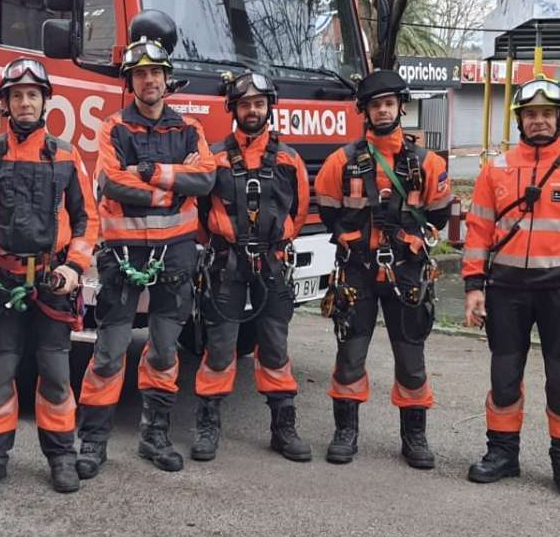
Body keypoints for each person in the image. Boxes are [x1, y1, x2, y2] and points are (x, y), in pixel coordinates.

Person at [74, 10, 216, 479]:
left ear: (166, 78)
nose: (149, 80)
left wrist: (154, 175)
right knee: (110, 351)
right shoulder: (114, 128)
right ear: (130, 81)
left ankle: (154, 437)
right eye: (140, 74)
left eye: (155, 72)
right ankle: (92, 442)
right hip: (122, 257)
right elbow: (112, 183)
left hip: (175, 253)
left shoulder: (188, 129)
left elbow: (207, 176)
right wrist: (176, 184)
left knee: (163, 350)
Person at [0, 57, 99, 494]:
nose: (25, 102)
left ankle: (61, 457)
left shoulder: (67, 156)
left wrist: (74, 268)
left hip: (53, 284)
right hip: (1, 282)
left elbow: (87, 220)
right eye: (17, 96)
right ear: (5, 104)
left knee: (55, 374)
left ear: (45, 101)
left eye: (33, 95)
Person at [314, 69, 452, 468]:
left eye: (389, 103)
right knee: (350, 354)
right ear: (365, 111)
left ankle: (415, 438)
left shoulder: (426, 163)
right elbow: (328, 212)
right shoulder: (341, 161)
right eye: (375, 105)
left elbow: (439, 216)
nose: (383, 111)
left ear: (400, 107)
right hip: (357, 272)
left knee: (411, 358)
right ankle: (345, 432)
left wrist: (410, 241)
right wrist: (352, 241)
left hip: (407, 272)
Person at [193, 70, 311, 462]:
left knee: (275, 346)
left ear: (269, 108)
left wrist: (278, 242)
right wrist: (219, 245)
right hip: (226, 263)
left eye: (259, 104)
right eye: (245, 105)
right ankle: (208, 425)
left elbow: (300, 209)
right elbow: (198, 211)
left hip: (273, 263)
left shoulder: (290, 160)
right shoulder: (214, 157)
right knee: (220, 347)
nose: (253, 111)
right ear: (233, 109)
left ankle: (283, 428)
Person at [464, 75, 560, 487]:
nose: (539, 121)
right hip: (505, 289)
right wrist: (472, 287)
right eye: (531, 114)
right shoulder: (496, 169)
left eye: (547, 114)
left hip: (557, 288)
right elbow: (478, 230)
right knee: (504, 374)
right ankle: (502, 452)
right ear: (520, 120)